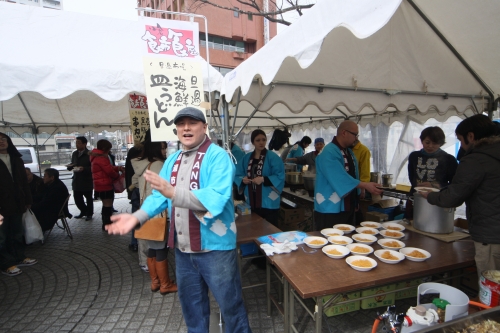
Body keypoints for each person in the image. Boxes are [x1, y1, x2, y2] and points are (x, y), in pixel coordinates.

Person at [106, 107, 251, 332]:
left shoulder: (219, 156)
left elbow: (216, 197)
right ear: (176, 130)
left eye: (192, 123)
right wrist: (137, 217)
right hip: (183, 250)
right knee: (191, 308)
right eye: (181, 124)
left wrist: (173, 193)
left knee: (230, 306)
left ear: (204, 127)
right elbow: (158, 197)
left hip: (216, 249)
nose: (186, 128)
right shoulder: (172, 160)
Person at [421, 115, 500, 279]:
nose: (462, 146)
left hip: (491, 234)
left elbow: (453, 197)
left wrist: (430, 196)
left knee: (492, 286)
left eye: (460, 140)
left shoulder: (475, 159)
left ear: (470, 136)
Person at [314, 121, 383, 230]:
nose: (356, 138)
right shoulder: (329, 151)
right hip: (330, 207)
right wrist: (364, 185)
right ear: (344, 133)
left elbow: (353, 174)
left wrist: (357, 196)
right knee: (331, 242)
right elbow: (339, 176)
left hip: (346, 206)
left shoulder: (348, 151)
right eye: (355, 134)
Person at [132, 141, 177, 290]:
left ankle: (155, 282)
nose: (165, 151)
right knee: (161, 249)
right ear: (156, 149)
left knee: (152, 248)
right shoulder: (158, 165)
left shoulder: (142, 165)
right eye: (162, 148)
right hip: (158, 212)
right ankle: (165, 284)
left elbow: (136, 184)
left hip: (146, 210)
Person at [0, 132, 37, 276]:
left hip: (17, 203)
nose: (1, 142)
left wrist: (28, 200)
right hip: (2, 204)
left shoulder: (16, 159)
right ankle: (6, 264)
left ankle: (19, 257)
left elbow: (24, 182)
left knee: (17, 233)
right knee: (2, 237)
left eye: (4, 139)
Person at [235, 129, 285, 227]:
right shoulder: (247, 157)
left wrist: (263, 179)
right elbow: (237, 173)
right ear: (253, 142)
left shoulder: (273, 157)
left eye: (263, 140)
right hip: (250, 200)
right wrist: (242, 180)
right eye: (258, 140)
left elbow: (280, 175)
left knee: (270, 229)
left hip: (268, 201)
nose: (261, 142)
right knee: (253, 228)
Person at [405, 126, 458, 219]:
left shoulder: (449, 159)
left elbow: (455, 184)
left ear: (441, 143)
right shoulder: (414, 156)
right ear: (422, 141)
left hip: (437, 199)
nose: (430, 146)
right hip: (415, 197)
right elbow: (412, 176)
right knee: (411, 223)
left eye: (435, 143)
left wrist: (436, 185)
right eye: (427, 142)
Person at [90, 139, 124, 230]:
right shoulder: (101, 158)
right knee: (107, 205)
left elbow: (108, 167)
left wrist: (118, 168)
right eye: (109, 148)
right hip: (105, 184)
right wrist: (118, 176)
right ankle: (107, 224)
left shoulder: (96, 157)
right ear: (105, 148)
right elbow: (109, 171)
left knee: (106, 205)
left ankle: (106, 223)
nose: (109, 150)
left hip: (99, 185)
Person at [31, 168, 70, 232]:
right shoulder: (52, 184)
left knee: (31, 212)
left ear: (52, 177)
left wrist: (32, 206)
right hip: (51, 208)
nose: (43, 178)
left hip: (53, 211)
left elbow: (46, 202)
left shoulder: (56, 187)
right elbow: (42, 196)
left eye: (45, 176)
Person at [67, 136, 94, 221]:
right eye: (76, 143)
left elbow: (93, 167)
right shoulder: (75, 153)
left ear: (84, 144)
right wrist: (70, 166)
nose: (77, 144)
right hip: (77, 179)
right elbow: (74, 163)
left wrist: (84, 169)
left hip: (87, 180)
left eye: (79, 143)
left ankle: (89, 213)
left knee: (89, 198)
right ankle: (83, 211)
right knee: (77, 199)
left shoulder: (89, 153)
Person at [126, 138, 144, 252]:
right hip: (139, 188)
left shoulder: (132, 153)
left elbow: (128, 172)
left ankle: (134, 242)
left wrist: (130, 190)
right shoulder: (148, 158)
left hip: (135, 189)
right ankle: (137, 242)